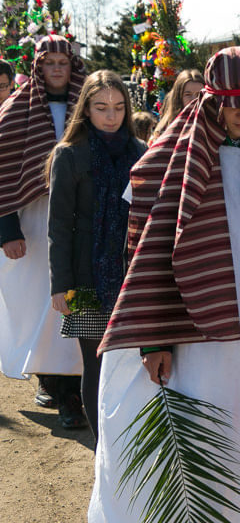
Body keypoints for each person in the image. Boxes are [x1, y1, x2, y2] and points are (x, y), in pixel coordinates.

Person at [88, 47, 240, 522]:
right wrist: (153, 337)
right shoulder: (166, 161)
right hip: (189, 334)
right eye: (231, 100)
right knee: (186, 444)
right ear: (213, 101)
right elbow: (143, 253)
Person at [46, 70, 147, 443]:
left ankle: (129, 437)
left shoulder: (140, 151)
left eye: (119, 107)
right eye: (102, 107)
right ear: (86, 108)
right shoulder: (69, 155)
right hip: (84, 275)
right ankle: (104, 442)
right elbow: (58, 228)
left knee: (134, 360)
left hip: (131, 272)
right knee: (96, 360)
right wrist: (61, 286)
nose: (111, 115)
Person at [0, 35, 86, 428]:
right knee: (38, 302)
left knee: (75, 296)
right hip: (32, 222)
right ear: (37, 67)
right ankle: (48, 377)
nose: (56, 68)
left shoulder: (89, 107)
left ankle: (73, 390)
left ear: (72, 67)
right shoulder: (14, 111)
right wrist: (7, 228)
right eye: (48, 62)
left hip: (80, 218)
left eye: (62, 62)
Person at [150, 68, 205, 140]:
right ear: (178, 97)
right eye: (188, 94)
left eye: (199, 94)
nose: (194, 99)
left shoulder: (212, 126)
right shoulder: (164, 130)